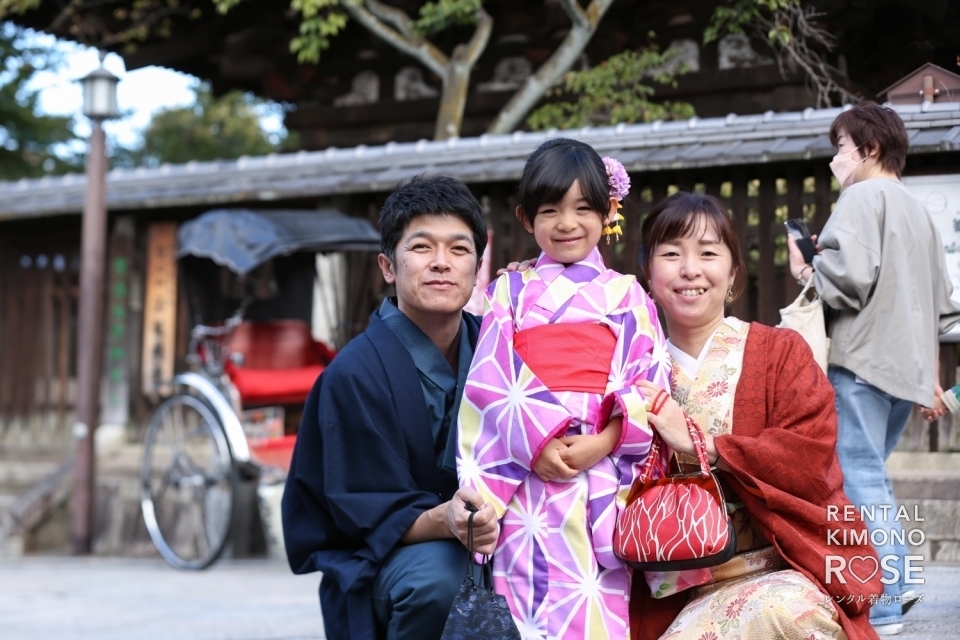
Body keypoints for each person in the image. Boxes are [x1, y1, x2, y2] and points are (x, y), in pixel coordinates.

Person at [628, 191, 882, 640]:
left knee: (785, 613)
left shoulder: (780, 353)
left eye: (708, 253)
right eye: (671, 254)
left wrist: (708, 447)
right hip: (674, 591)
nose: (690, 270)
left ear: (731, 274)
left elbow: (812, 458)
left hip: (781, 566)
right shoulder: (631, 368)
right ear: (648, 274)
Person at [457, 138, 673, 639]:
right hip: (527, 473)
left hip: (600, 475)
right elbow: (490, 375)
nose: (567, 223)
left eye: (582, 208)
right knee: (521, 602)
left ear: (608, 212)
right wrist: (536, 444)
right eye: (550, 210)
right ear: (526, 219)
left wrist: (603, 441)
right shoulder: (508, 291)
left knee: (592, 601)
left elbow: (651, 381)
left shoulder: (626, 294)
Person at [282, 175, 499, 640]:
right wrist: (447, 520)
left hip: (487, 533)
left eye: (459, 250)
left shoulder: (496, 348)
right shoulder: (354, 374)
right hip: (388, 561)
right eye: (422, 247)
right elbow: (366, 513)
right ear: (388, 266)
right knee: (439, 576)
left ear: (477, 267)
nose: (441, 263)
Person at [787, 102, 960, 635]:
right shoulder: (918, 213)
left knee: (857, 475)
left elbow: (850, 277)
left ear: (870, 149)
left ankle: (886, 596)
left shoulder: (861, 196)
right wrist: (929, 378)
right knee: (870, 477)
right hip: (903, 373)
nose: (836, 158)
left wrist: (808, 263)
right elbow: (945, 305)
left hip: (861, 360)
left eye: (841, 147)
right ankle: (898, 580)